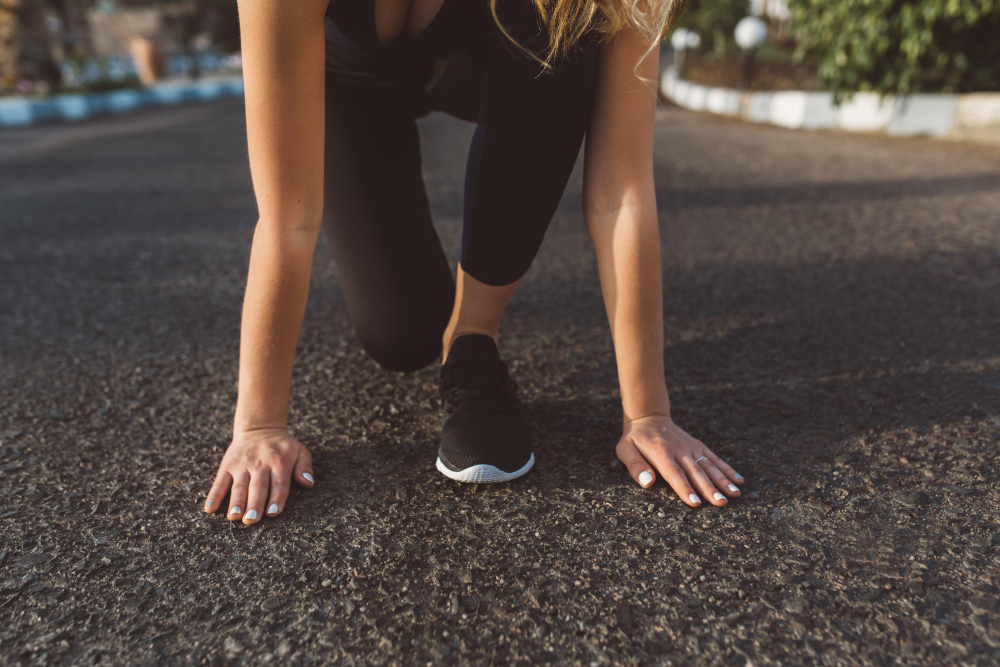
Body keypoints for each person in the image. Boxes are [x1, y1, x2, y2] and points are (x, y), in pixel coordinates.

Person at [204, 0, 745, 524]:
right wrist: (258, 425)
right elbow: (287, 220)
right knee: (403, 332)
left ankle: (472, 336)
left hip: (498, 58)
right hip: (352, 85)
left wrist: (648, 413)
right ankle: (437, 328)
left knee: (568, 23)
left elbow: (620, 195)